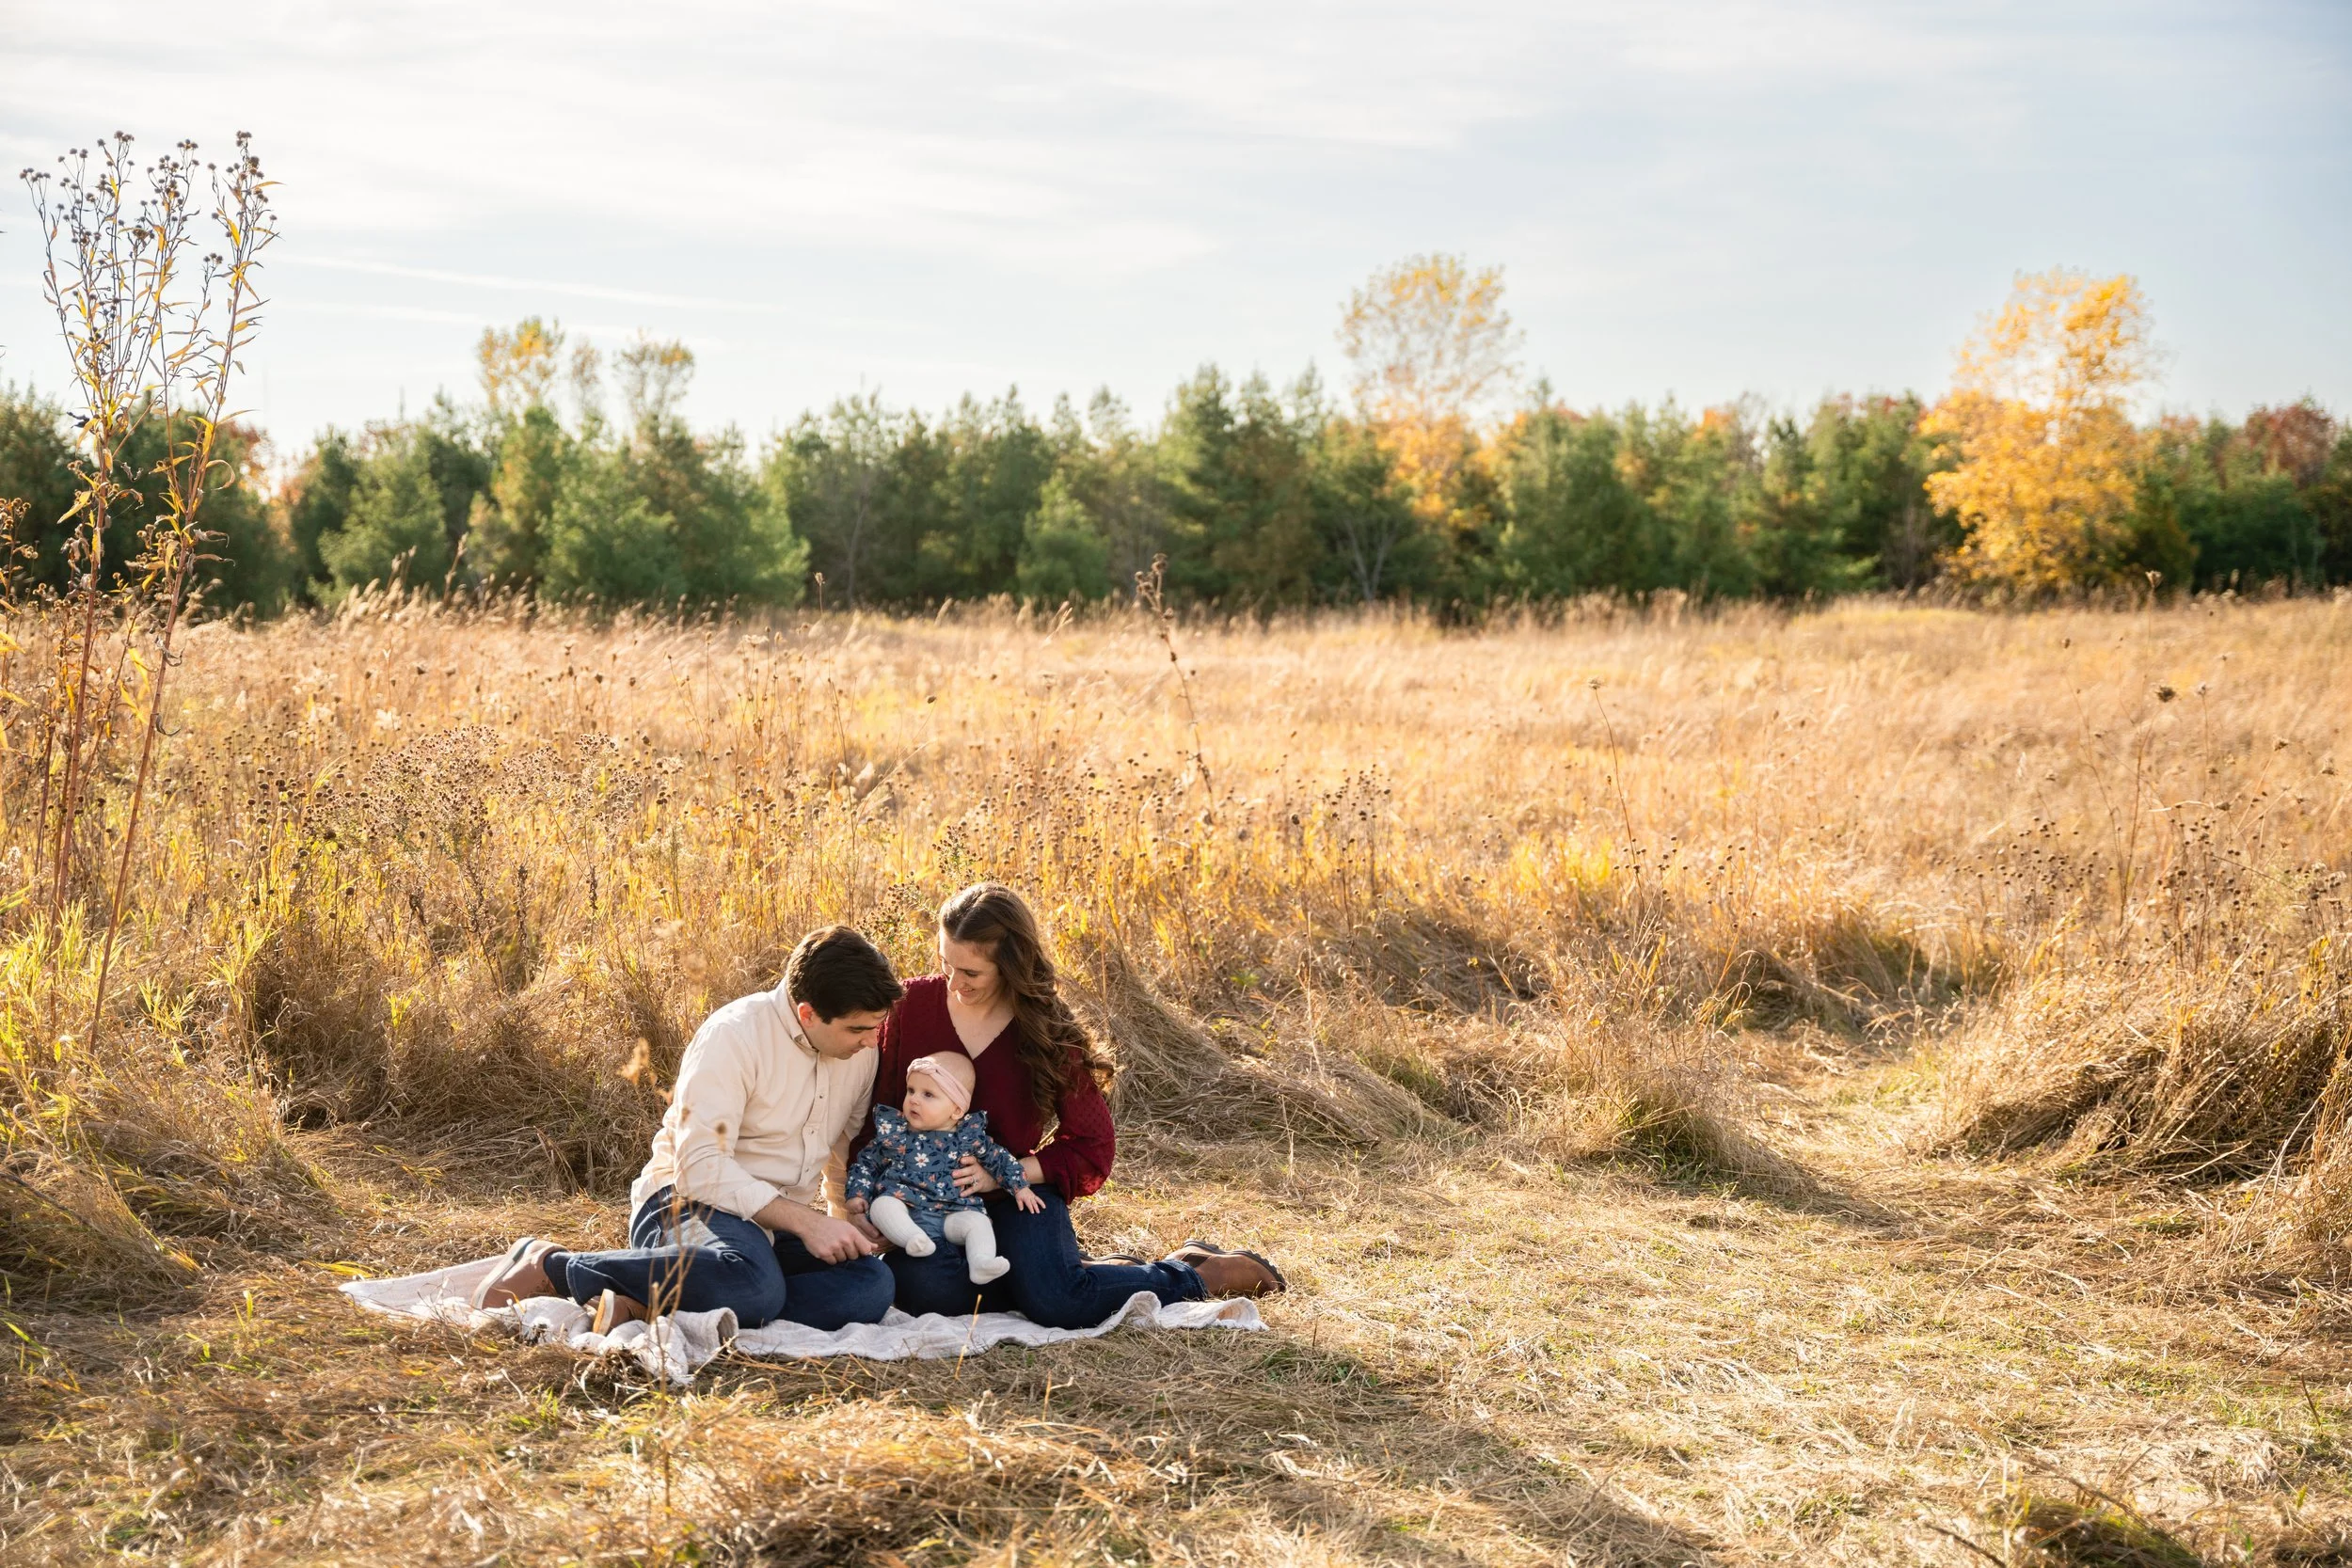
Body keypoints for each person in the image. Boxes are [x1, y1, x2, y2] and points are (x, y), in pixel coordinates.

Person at [850, 882, 1283, 1329]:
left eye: (972, 974)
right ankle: (1086, 1272)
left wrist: (1006, 1171)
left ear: (1009, 965)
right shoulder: (911, 1005)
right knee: (922, 1289)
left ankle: (1198, 1273)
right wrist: (867, 1201)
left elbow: (1092, 1143)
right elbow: (877, 1115)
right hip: (929, 1200)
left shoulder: (1045, 1026)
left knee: (1058, 1303)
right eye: (946, 965)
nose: (955, 984)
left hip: (1018, 1193)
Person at [472, 926, 903, 1333]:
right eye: (858, 1029)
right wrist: (808, 1225)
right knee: (753, 1285)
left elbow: (842, 1151)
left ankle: (646, 1302)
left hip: (773, 1229)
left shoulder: (858, 1054)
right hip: (683, 1205)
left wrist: (845, 1222)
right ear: (807, 1014)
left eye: (876, 1027)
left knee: (870, 1286)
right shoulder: (734, 1036)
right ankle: (552, 1264)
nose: (872, 1041)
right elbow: (700, 1169)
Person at [845, 1052, 1041, 1284]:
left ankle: (981, 1263)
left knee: (977, 1223)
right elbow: (866, 1163)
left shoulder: (968, 1137)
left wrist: (1020, 1187)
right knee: (882, 1206)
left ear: (957, 1110)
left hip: (953, 1213)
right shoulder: (897, 1135)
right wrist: (857, 1194)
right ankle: (913, 1239)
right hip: (905, 1208)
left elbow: (1001, 1160)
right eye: (911, 1091)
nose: (914, 1100)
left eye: (928, 1094)